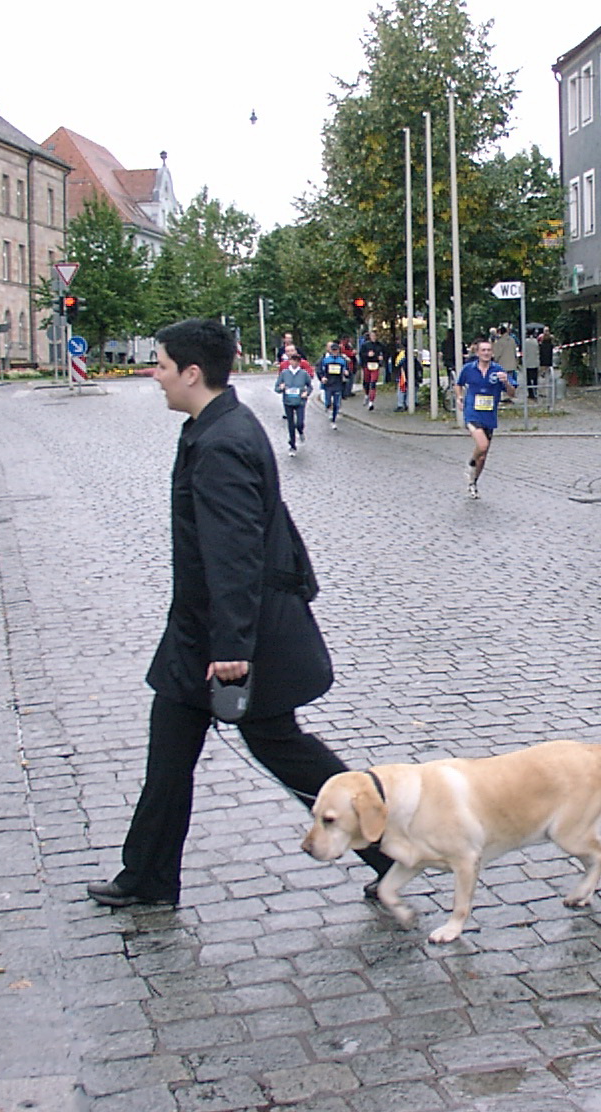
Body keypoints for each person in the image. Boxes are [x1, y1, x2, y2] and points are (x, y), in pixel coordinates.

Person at [86, 318, 391, 908]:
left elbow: (233, 555)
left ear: (192, 373)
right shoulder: (217, 424)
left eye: (162, 365)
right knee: (173, 755)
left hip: (229, 638)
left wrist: (232, 648)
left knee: (283, 747)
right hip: (206, 634)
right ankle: (147, 876)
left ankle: (390, 849)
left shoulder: (222, 440)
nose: (155, 376)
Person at [455, 338, 517, 499]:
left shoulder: (498, 370)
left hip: (489, 414)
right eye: (483, 350)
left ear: (492, 352)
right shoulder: (469, 369)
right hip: (472, 412)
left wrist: (506, 383)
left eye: (489, 350)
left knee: (483, 456)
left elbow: (512, 393)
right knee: (482, 445)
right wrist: (459, 397)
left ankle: (473, 482)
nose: (486, 353)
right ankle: (470, 465)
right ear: (477, 353)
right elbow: (458, 383)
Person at [274, 346, 313, 453]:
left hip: (300, 401)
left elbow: (310, 386)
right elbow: (276, 388)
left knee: (299, 423)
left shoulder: (304, 374)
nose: (294, 362)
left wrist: (307, 393)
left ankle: (300, 431)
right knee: (291, 424)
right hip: (288, 401)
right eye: (292, 360)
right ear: (289, 361)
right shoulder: (284, 373)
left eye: (297, 361)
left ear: (299, 362)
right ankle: (292, 445)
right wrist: (280, 388)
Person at [316, 342, 350, 429]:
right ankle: (328, 408)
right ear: (331, 350)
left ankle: (333, 420)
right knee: (327, 401)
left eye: (336, 350)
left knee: (336, 403)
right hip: (328, 384)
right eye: (333, 350)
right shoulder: (325, 360)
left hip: (338, 384)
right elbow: (319, 370)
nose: (335, 352)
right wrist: (322, 377)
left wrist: (346, 373)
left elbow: (347, 371)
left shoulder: (342, 360)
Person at [358, 331, 386, 411]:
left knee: (373, 383)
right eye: (372, 336)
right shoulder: (365, 345)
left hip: (375, 365)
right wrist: (367, 354)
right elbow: (361, 354)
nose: (374, 337)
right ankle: (366, 394)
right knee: (366, 382)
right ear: (370, 336)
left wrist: (381, 357)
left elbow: (385, 353)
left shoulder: (380, 345)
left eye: (375, 336)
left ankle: (371, 402)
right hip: (367, 365)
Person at [522, 328, 541, 402]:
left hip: (528, 362)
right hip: (535, 362)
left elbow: (524, 351)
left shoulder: (525, 342)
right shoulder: (535, 341)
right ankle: (535, 391)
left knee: (529, 379)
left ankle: (530, 393)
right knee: (535, 378)